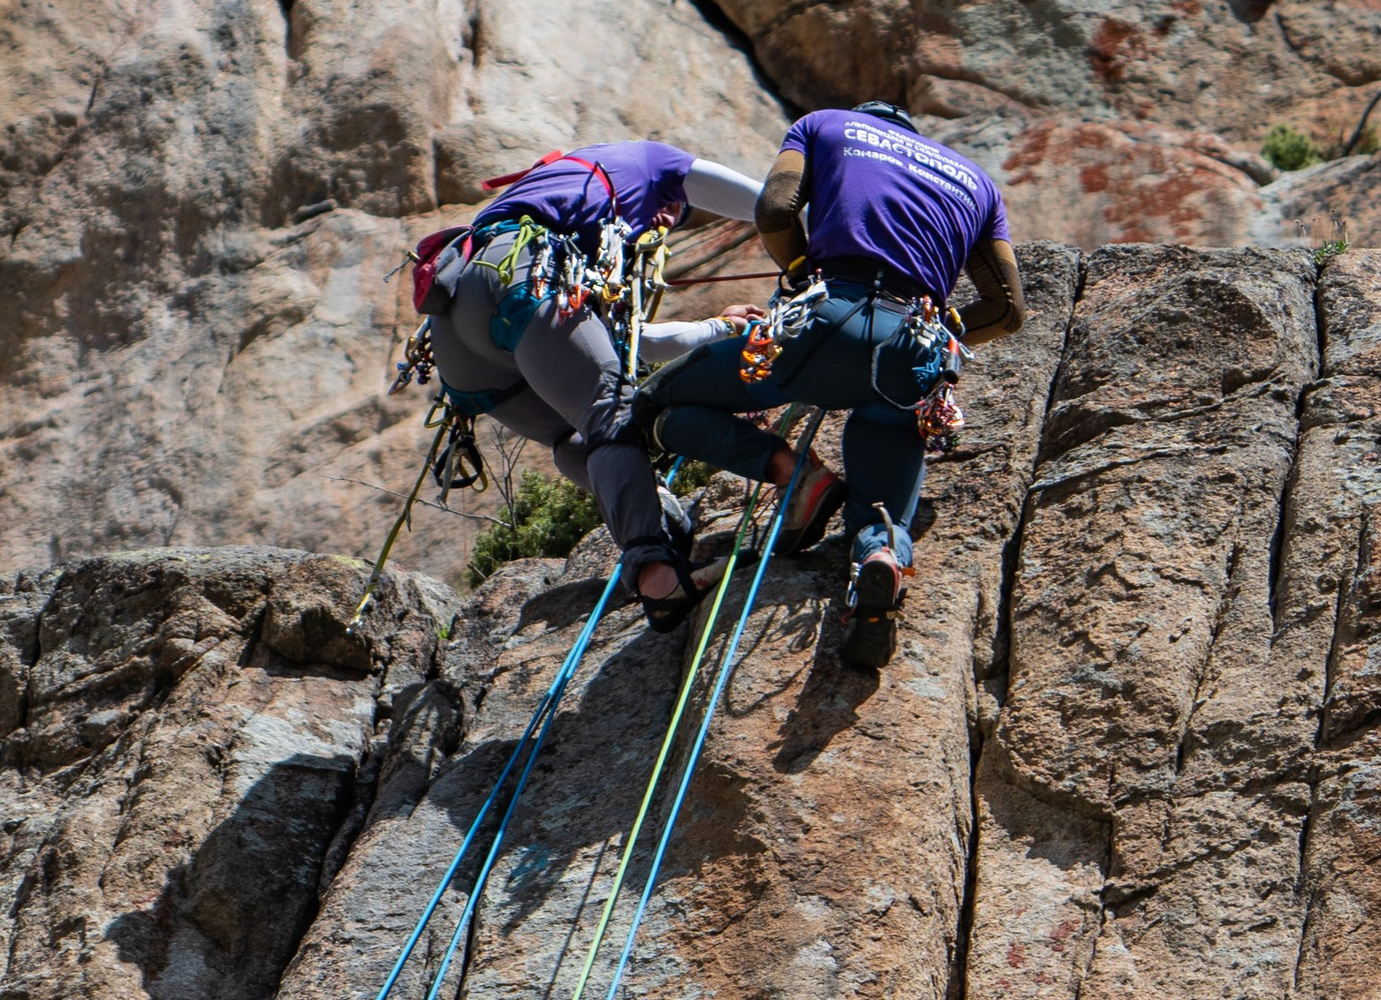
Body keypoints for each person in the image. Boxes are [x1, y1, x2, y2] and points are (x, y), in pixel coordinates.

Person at [639, 99, 1025, 650]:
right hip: (912, 350)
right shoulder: (979, 183)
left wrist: (798, 275)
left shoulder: (822, 124)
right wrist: (942, 330)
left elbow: (774, 211)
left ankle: (796, 476)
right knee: (885, 480)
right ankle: (880, 556)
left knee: (654, 404)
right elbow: (1008, 310)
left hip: (822, 321)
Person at [422, 141, 769, 630]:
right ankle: (657, 579)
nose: (667, 224)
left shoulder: (565, 217)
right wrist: (824, 246)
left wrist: (722, 327)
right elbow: (768, 203)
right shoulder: (646, 160)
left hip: (460, 333)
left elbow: (634, 343)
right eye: (670, 210)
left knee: (574, 439)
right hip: (519, 275)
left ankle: (658, 519)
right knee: (611, 414)